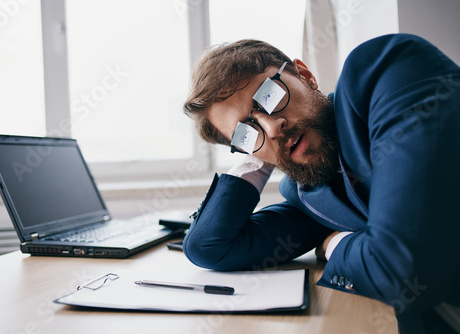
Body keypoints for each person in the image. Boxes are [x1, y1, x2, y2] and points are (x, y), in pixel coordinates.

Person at [182, 34, 460, 334]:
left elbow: (406, 272)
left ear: (305, 75)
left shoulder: (383, 71)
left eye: (269, 96)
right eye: (245, 133)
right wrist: (259, 154)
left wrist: (333, 244)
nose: (273, 127)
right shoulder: (307, 193)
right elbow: (210, 247)